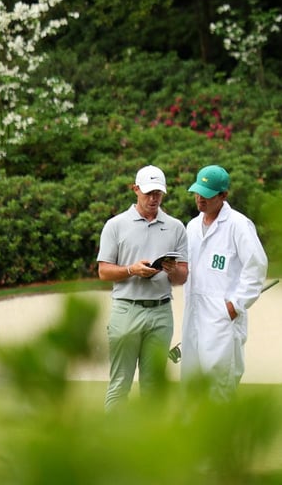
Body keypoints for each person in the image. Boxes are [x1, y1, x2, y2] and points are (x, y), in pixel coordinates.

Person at [97, 164, 189, 411]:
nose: (153, 198)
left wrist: (171, 269)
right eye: (148, 192)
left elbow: (182, 277)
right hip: (126, 310)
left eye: (158, 192)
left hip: (161, 312)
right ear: (135, 189)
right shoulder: (115, 225)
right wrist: (131, 270)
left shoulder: (176, 227)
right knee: (120, 384)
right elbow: (104, 271)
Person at [180, 164, 269, 401]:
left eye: (207, 195)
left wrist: (234, 305)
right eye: (197, 193)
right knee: (191, 384)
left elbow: (257, 266)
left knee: (219, 387)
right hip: (193, 314)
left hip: (223, 319)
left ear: (223, 195)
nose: (200, 199)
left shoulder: (239, 225)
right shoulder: (191, 227)